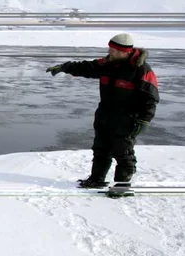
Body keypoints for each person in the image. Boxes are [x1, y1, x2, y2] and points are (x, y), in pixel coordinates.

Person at [45, 33, 160, 188]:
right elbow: (87, 67)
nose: (109, 52)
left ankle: (121, 186)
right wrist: (64, 67)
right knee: (101, 149)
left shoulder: (141, 70)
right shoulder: (107, 63)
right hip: (104, 115)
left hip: (126, 119)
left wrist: (144, 120)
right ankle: (96, 180)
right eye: (110, 48)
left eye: (113, 49)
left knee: (123, 153)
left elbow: (150, 98)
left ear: (124, 51)